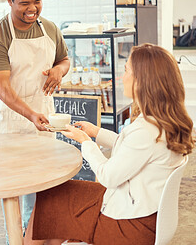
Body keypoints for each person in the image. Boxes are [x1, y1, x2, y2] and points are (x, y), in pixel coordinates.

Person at [24, 43, 194, 245]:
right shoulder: (163, 121)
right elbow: (133, 151)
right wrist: (95, 132)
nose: (122, 78)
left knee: (52, 198)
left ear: (142, 81)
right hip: (142, 212)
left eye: (126, 71)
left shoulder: (145, 130)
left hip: (129, 227)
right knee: (55, 199)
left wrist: (85, 141)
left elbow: (107, 177)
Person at [0, 0, 70, 231]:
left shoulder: (50, 29)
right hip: (12, 122)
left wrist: (58, 70)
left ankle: (38, 234)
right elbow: (3, 89)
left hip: (43, 117)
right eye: (24, 3)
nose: (33, 9)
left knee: (45, 187)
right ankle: (18, 236)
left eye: (38, 1)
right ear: (9, 0)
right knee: (15, 190)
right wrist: (30, 114)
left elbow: (65, 60)